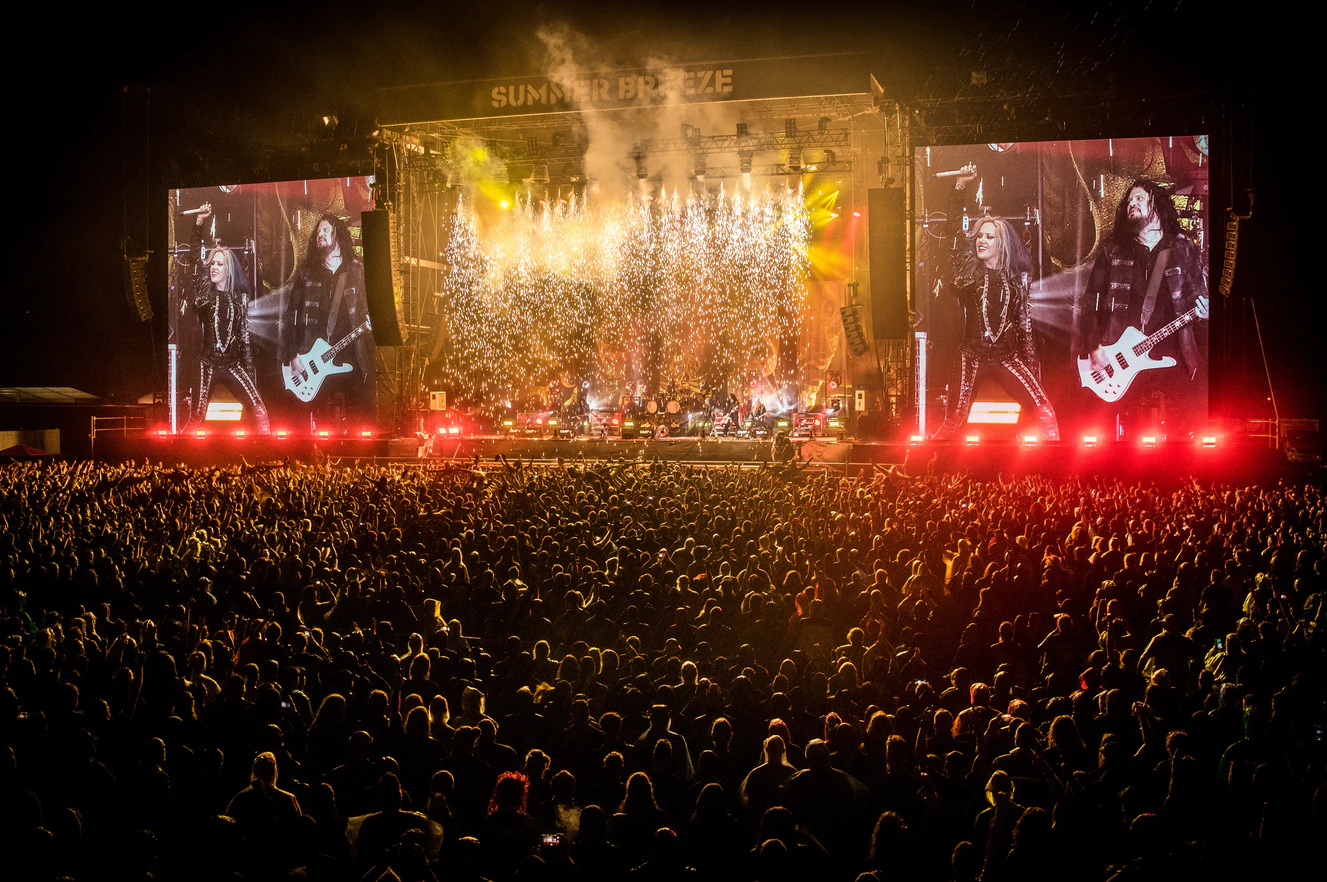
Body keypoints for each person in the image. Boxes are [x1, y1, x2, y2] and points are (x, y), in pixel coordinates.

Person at [933, 168, 1059, 440]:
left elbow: (1025, 328)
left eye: (989, 237)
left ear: (1000, 243)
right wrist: (959, 187)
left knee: (1045, 411)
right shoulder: (968, 271)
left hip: (1005, 356)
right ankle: (927, 464)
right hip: (971, 354)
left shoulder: (1016, 279)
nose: (982, 240)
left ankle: (1053, 463)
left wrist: (1031, 370)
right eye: (980, 236)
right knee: (954, 419)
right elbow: (953, 233)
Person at [1079, 178, 1210, 438]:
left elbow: (1198, 293)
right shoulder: (1114, 249)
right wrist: (1094, 347)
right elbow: (1090, 301)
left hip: (1172, 350)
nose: (1132, 204)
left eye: (1139, 198)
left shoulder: (1182, 247)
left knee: (1205, 409)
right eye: (1129, 200)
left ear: (1157, 205)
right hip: (1120, 354)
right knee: (1094, 429)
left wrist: (1205, 312)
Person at [280, 212, 376, 430]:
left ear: (337, 234)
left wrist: (371, 320)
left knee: (363, 418)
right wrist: (293, 354)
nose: (319, 234)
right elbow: (291, 315)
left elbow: (367, 305)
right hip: (312, 356)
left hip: (351, 354)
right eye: (318, 231)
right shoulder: (307, 272)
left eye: (325, 230)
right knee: (309, 423)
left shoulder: (356, 269)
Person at [186, 234, 270, 434]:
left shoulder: (238, 301)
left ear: (228, 269)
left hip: (232, 364)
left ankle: (266, 447)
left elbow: (244, 340)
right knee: (197, 415)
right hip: (207, 363)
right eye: (212, 263)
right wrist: (198, 225)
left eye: (219, 264)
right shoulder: (205, 297)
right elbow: (195, 263)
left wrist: (250, 376)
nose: (214, 267)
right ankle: (180, 449)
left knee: (259, 408)